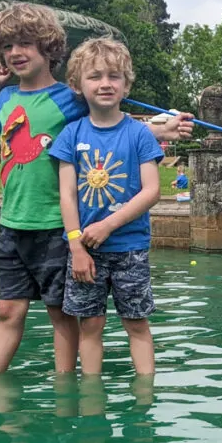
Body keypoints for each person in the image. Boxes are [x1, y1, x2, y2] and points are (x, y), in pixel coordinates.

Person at [0, 3, 192, 376]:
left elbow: (107, 125)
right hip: (13, 222)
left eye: (25, 43)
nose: (15, 53)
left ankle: (65, 385)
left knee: (62, 313)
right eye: (7, 47)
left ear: (49, 48)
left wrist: (159, 131)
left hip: (58, 224)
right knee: (8, 309)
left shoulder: (68, 99)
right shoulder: (7, 99)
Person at [50, 37, 163, 377]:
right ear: (78, 85)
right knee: (91, 325)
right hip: (85, 250)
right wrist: (76, 246)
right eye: (95, 76)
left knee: (137, 323)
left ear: (126, 85)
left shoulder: (141, 134)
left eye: (114, 76)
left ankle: (145, 400)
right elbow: (67, 195)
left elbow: (152, 191)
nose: (105, 84)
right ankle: (90, 397)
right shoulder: (71, 134)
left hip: (130, 248)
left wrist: (108, 225)